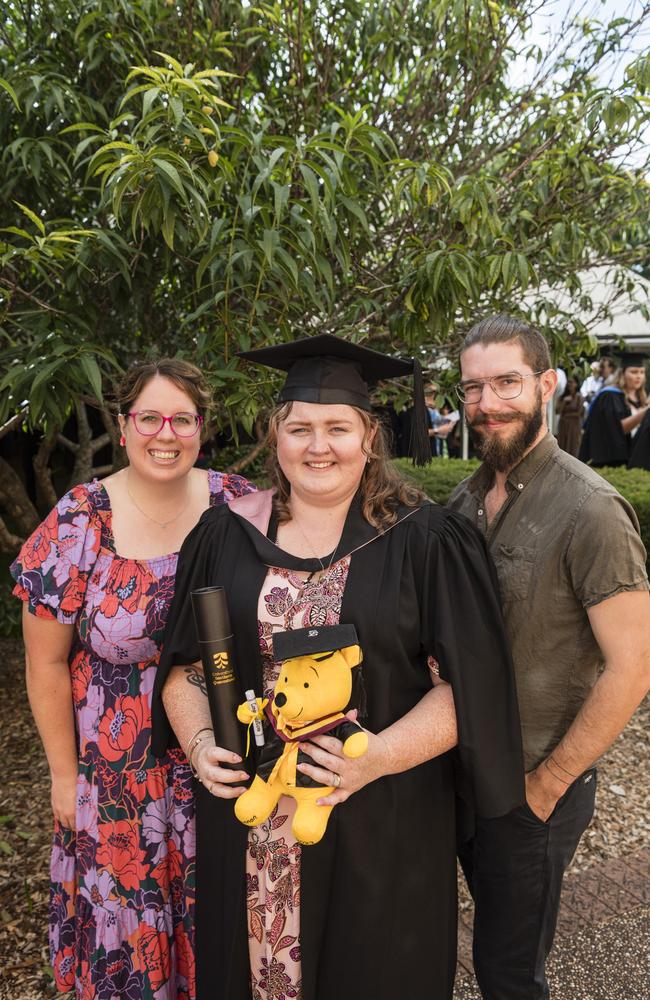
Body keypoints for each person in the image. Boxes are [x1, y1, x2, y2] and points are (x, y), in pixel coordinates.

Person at [152, 334, 524, 1000]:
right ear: (276, 436)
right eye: (300, 428)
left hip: (381, 818)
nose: (317, 445)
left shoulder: (425, 540)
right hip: (250, 826)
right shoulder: (225, 534)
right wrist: (202, 743)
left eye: (337, 428)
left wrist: (376, 756)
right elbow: (183, 672)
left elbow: (469, 689)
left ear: (371, 437)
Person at [10, 359, 255, 1000]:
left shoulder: (242, 505)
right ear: (123, 427)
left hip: (217, 766)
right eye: (149, 417)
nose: (164, 433)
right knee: (129, 951)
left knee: (222, 932)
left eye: (181, 418)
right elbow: (45, 661)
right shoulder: (80, 519)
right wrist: (66, 777)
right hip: (116, 782)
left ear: (202, 428)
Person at [448, 315, 650, 1000]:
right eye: (473, 387)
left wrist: (549, 784)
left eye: (506, 382)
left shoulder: (591, 509)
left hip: (532, 788)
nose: (488, 402)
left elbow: (634, 666)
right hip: (461, 776)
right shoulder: (467, 498)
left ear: (546, 383)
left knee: (509, 973)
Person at [579, 352, 649, 467]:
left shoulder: (641, 398)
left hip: (633, 460)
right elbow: (618, 429)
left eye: (642, 372)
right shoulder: (610, 396)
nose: (639, 376)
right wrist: (646, 411)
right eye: (634, 372)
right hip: (610, 462)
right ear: (622, 373)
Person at [555, 376, 584, 456]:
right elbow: (557, 411)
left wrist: (567, 414)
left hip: (574, 425)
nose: (569, 384)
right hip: (563, 424)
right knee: (562, 444)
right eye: (568, 382)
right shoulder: (562, 397)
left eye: (572, 382)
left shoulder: (579, 397)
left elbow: (579, 413)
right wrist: (564, 402)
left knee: (573, 444)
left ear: (576, 384)